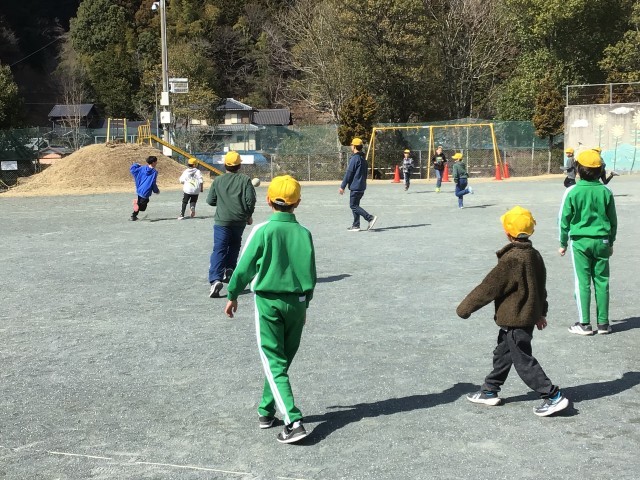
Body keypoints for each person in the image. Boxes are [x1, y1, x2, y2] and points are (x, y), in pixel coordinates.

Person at [224, 175, 317, 444]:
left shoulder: (263, 230)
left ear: (268, 200)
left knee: (274, 361)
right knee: (281, 360)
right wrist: (306, 304)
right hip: (297, 302)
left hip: (268, 301)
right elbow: (310, 271)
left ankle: (293, 421)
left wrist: (232, 294)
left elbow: (244, 266)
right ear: (298, 202)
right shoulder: (304, 233)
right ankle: (266, 410)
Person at [457, 206, 570, 417]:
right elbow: (541, 287)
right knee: (503, 354)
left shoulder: (512, 259)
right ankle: (489, 390)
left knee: (523, 361)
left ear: (507, 232)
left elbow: (488, 287)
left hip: (516, 319)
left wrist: (465, 308)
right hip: (524, 317)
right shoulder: (534, 254)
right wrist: (541, 312)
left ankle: (553, 396)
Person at [559, 149, 617, 335]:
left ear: (577, 169)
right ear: (600, 170)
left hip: (580, 242)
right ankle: (603, 324)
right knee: (602, 281)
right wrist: (611, 242)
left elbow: (564, 220)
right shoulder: (606, 191)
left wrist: (563, 243)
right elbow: (613, 220)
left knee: (582, 282)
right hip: (602, 241)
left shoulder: (572, 191)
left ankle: (584, 324)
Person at [206, 151, 256, 298]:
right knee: (234, 246)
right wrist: (248, 215)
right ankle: (229, 269)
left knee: (219, 249)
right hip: (239, 221)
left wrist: (222, 201)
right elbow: (250, 200)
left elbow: (210, 201)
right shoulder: (245, 180)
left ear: (224, 165)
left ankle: (215, 279)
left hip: (222, 221)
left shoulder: (218, 180)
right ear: (239, 165)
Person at [339, 137, 378, 231]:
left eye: (352, 145)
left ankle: (370, 218)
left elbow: (349, 173)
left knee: (353, 205)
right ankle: (356, 225)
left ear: (355, 146)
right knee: (356, 205)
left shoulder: (355, 158)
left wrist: (342, 186)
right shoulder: (363, 159)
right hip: (361, 186)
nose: (351, 146)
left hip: (355, 187)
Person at [130, 155, 159, 221]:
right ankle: (136, 203)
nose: (157, 163)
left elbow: (132, 170)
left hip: (140, 189)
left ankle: (133, 216)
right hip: (146, 191)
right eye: (156, 162)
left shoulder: (142, 168)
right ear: (153, 162)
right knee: (142, 208)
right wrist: (156, 190)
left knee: (140, 204)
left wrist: (136, 164)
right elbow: (153, 183)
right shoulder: (154, 172)